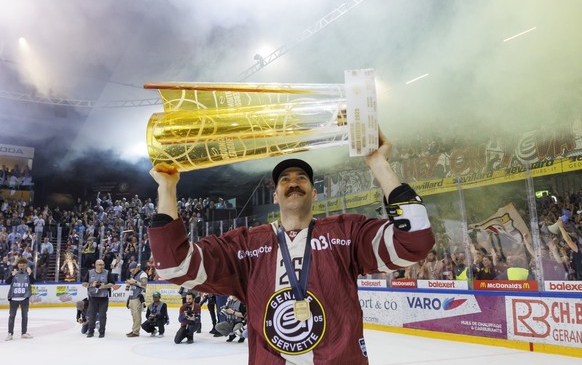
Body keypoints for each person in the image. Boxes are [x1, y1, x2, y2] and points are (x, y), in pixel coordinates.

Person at [148, 130, 434, 363]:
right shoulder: (245, 244)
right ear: (275, 195)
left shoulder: (347, 232)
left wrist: (378, 163)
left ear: (314, 192)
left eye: (302, 178)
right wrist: (167, 187)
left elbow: (415, 242)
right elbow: (176, 265)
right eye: (285, 179)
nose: (293, 183)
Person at [82, 259, 115, 338]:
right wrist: (91, 284)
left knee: (102, 316)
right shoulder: (90, 272)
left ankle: (102, 332)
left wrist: (104, 286)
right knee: (91, 315)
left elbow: (112, 283)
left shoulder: (107, 273)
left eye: (102, 265)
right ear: (95, 265)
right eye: (100, 265)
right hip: (92, 298)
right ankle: (91, 331)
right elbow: (83, 283)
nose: (101, 266)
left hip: (103, 298)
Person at [5, 257, 35, 341]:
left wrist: (30, 274)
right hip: (14, 298)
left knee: (24, 316)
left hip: (24, 298)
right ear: (18, 265)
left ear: (26, 266)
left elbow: (33, 282)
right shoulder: (14, 273)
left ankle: (24, 333)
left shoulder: (28, 274)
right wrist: (12, 275)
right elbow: (7, 282)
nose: (22, 265)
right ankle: (10, 333)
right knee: (12, 316)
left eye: (24, 264)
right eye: (20, 264)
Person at [125, 261, 148, 337]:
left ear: (137, 268)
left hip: (137, 297)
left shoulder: (143, 274)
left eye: (133, 270)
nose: (132, 272)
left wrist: (134, 281)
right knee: (133, 315)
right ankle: (134, 329)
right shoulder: (133, 274)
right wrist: (129, 283)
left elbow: (144, 285)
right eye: (131, 270)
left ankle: (136, 331)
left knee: (137, 315)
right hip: (132, 296)